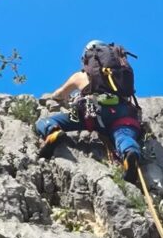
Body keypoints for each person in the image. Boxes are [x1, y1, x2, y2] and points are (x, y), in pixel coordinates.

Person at [35, 40, 142, 184]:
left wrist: (59, 98)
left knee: (46, 121)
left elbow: (59, 94)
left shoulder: (81, 75)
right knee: (123, 135)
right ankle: (130, 152)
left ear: (86, 58)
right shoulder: (119, 71)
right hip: (122, 111)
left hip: (91, 114)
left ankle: (52, 130)